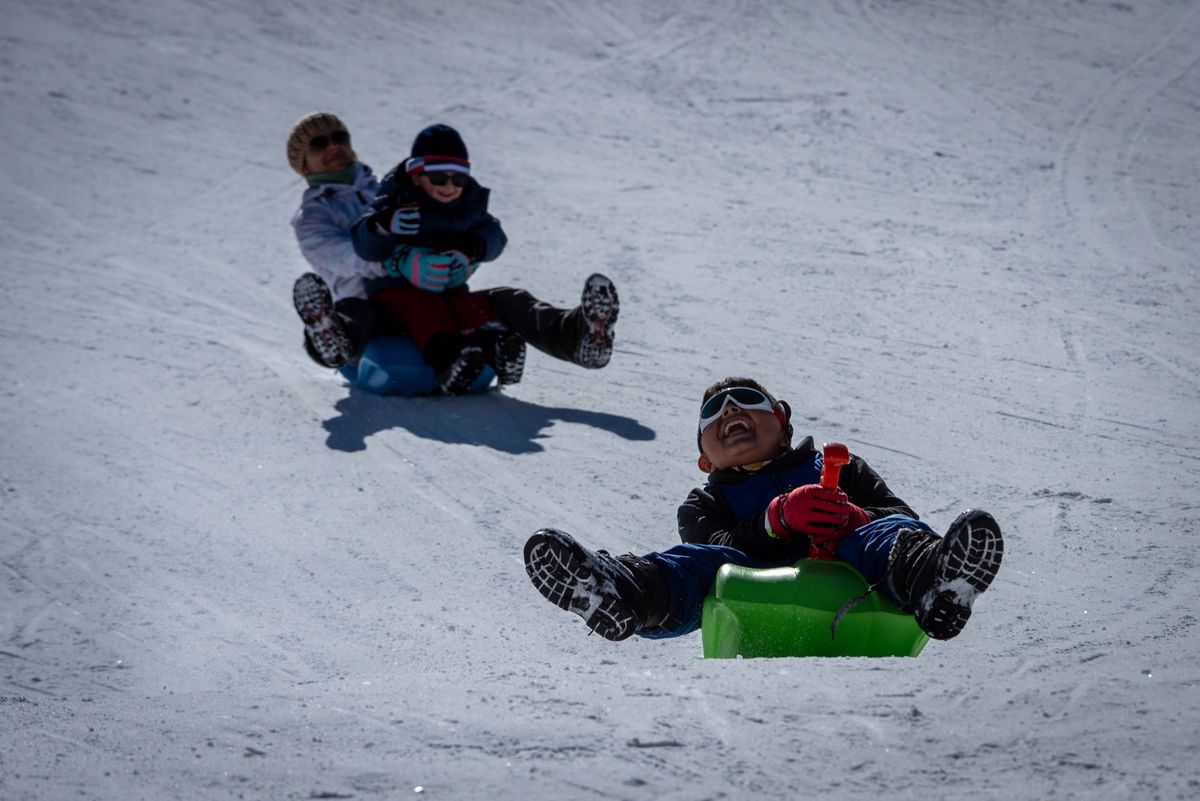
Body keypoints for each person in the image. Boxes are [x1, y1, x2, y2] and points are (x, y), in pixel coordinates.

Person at [523, 377, 1005, 643]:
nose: (731, 410)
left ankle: (936, 583)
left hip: (857, 575)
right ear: (705, 459)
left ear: (784, 423)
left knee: (888, 532)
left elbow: (895, 512)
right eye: (714, 412)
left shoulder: (838, 467)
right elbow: (717, 544)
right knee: (703, 566)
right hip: (757, 589)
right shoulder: (705, 501)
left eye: (748, 402)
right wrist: (776, 520)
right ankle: (622, 592)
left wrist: (854, 518)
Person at [286, 112, 618, 391]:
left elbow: (482, 228)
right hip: (376, 306)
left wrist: (468, 253)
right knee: (357, 314)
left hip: (438, 291)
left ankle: (576, 335)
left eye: (339, 137)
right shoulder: (315, 215)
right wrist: (400, 261)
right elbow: (345, 256)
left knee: (507, 300)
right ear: (303, 163)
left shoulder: (393, 186)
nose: (334, 146)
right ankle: (330, 338)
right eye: (319, 143)